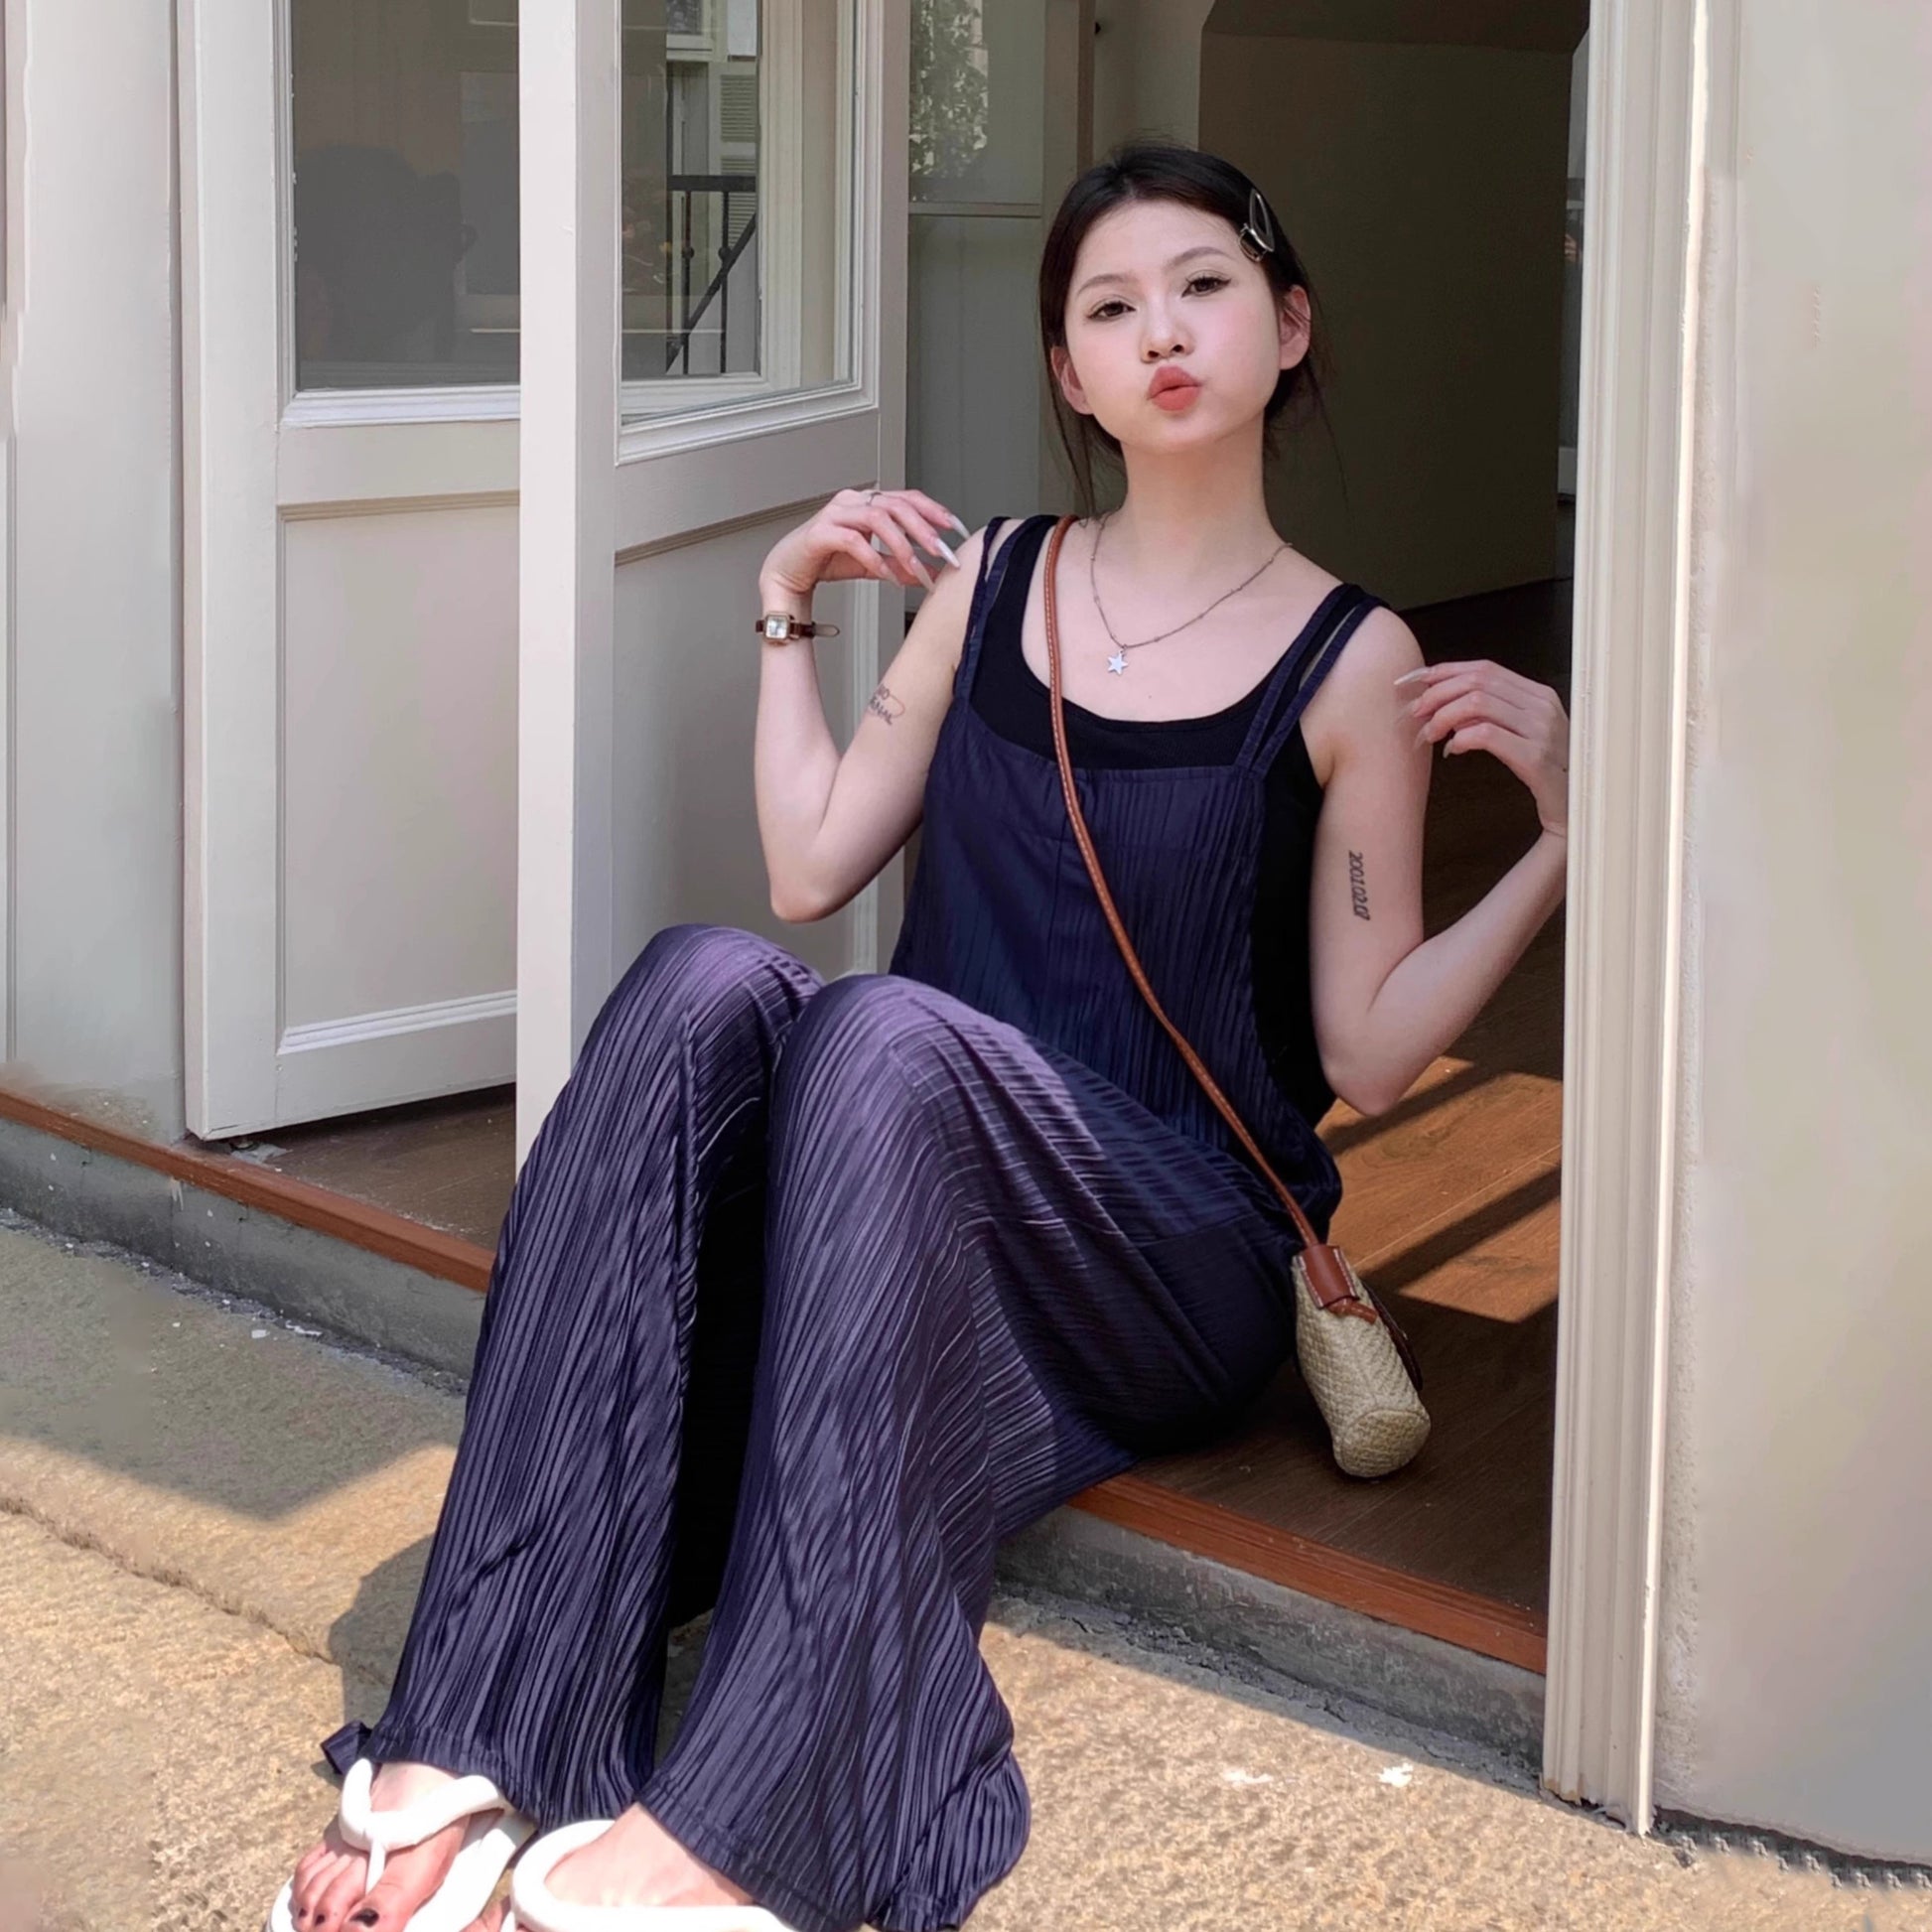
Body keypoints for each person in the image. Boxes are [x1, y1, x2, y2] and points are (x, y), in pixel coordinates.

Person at [273, 139, 1570, 1932]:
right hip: (897, 1180)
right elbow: (811, 864)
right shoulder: (995, 581)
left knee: (878, 1031)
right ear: (1068, 374)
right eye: (1108, 307)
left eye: (1201, 286)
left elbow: (1361, 1051)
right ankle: (482, 1733)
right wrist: (784, 604)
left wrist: (1561, 842)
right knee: (701, 978)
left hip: (1162, 1245)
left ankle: (763, 1815)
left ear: (1287, 326)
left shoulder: (1352, 657)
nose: (1159, 331)